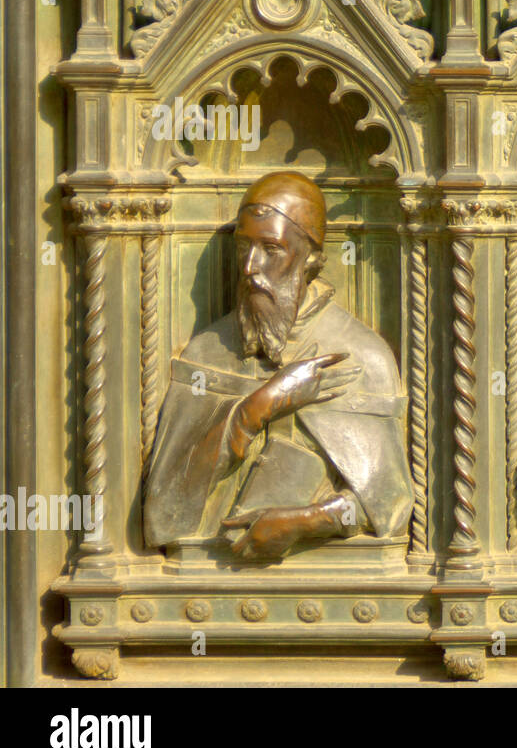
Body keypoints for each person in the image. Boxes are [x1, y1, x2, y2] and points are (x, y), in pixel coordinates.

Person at [143, 171, 412, 559]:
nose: (251, 266)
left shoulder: (360, 355)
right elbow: (162, 512)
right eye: (243, 247)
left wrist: (306, 521)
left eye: (271, 248)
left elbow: (388, 503)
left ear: (311, 260)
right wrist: (257, 409)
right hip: (197, 581)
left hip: (339, 588)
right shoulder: (206, 354)